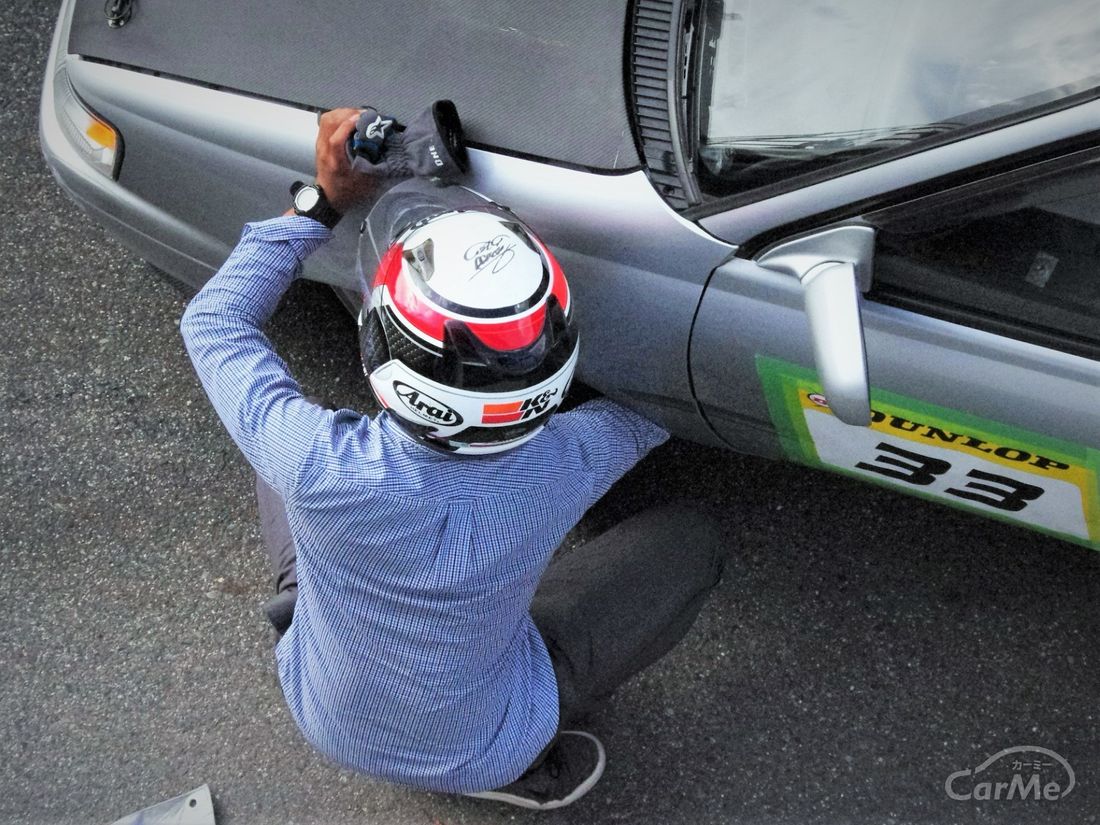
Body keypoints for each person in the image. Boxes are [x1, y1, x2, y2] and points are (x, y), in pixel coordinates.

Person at [180, 108, 724, 810]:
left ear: (378, 347)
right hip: (485, 738)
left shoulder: (315, 462)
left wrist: (323, 201)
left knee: (272, 449)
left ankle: (305, 609)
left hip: (325, 716)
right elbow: (672, 397)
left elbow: (215, 321)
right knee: (692, 541)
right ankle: (514, 769)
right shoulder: (575, 460)